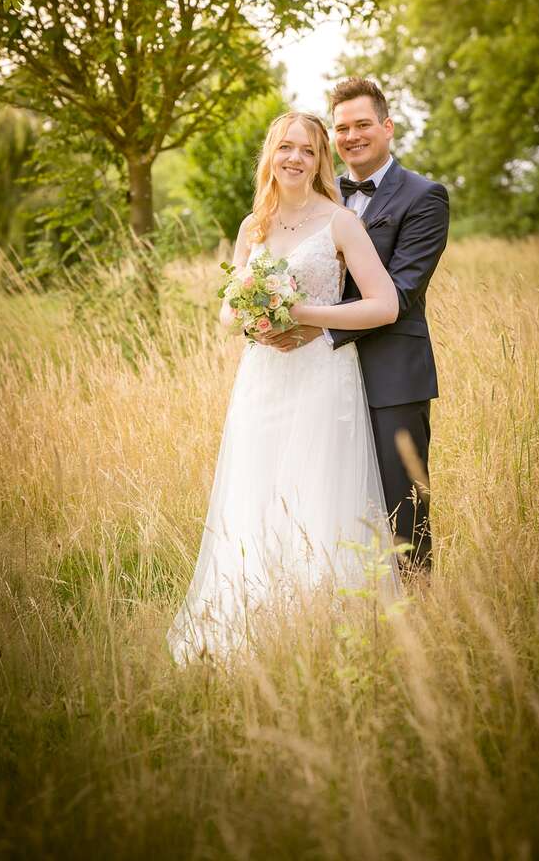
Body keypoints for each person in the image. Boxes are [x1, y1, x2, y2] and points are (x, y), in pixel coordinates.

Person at [167, 111, 401, 663]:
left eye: (308, 150)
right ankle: (253, 630)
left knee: (318, 491)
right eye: (285, 148)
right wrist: (258, 319)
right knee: (259, 492)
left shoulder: (341, 223)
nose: (295, 158)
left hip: (321, 375)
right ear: (270, 155)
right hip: (263, 378)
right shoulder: (255, 225)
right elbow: (227, 310)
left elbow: (385, 305)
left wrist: (307, 315)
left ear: (321, 161)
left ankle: (327, 636)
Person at [259, 79, 449, 570]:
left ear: (387, 127)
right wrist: (261, 314)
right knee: (322, 498)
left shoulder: (425, 197)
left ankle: (420, 614)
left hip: (391, 376)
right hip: (316, 379)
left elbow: (401, 292)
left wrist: (314, 328)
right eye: (341, 128)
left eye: (363, 124)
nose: (352, 136)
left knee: (402, 510)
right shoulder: (315, 193)